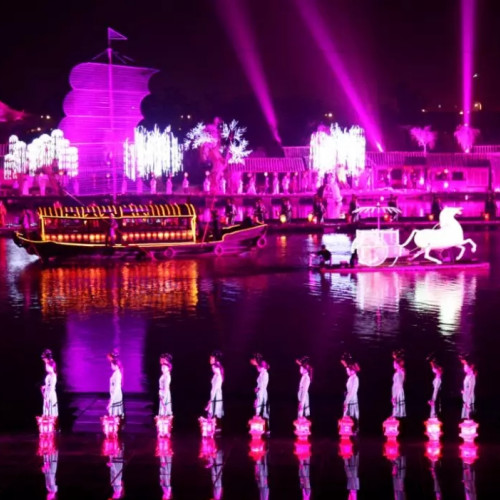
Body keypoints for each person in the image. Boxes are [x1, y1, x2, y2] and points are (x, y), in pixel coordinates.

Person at [251, 353, 270, 431]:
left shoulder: (265, 374)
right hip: (260, 393)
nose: (256, 368)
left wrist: (258, 389)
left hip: (262, 393)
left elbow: (263, 385)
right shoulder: (262, 374)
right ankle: (262, 427)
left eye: (257, 366)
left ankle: (264, 428)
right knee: (260, 406)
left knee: (262, 408)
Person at [206, 351, 224, 424]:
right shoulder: (216, 376)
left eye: (211, 358)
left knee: (214, 407)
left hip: (215, 396)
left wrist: (210, 401)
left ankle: (212, 421)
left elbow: (215, 390)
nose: (210, 360)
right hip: (215, 394)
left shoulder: (218, 376)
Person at [341, 355, 360, 423]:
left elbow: (352, 392)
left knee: (352, 418)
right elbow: (348, 371)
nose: (348, 371)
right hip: (349, 400)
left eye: (349, 370)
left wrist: (346, 401)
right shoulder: (351, 377)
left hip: (352, 401)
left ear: (353, 370)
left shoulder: (355, 379)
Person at [41, 349, 58, 418]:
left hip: (50, 396)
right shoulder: (49, 376)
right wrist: (45, 386)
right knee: (46, 413)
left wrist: (48, 399)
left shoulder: (53, 376)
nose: (45, 364)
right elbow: (49, 385)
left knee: (50, 413)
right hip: (47, 394)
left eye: (45, 361)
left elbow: (52, 388)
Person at [107, 351, 124, 418]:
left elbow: (116, 387)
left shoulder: (117, 374)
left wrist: (111, 401)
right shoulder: (116, 373)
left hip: (116, 395)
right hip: (114, 394)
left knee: (115, 414)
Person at [391, 351, 406, 418]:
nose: (393, 365)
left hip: (398, 390)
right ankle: (396, 413)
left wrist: (395, 395)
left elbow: (400, 384)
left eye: (394, 363)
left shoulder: (400, 372)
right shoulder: (398, 372)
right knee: (395, 402)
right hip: (396, 389)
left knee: (397, 402)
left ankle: (397, 414)